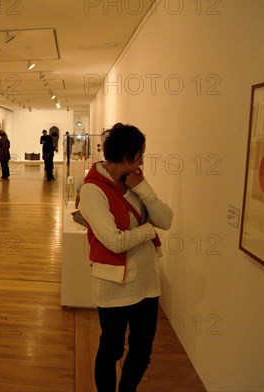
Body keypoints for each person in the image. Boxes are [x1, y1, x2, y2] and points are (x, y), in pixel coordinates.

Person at [78, 123, 173, 392]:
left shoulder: (136, 182)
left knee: (143, 351)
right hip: (115, 286)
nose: (142, 160)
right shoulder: (92, 191)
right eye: (140, 155)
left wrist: (144, 189)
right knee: (112, 349)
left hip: (147, 283)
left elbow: (165, 220)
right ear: (127, 157)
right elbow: (113, 242)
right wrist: (145, 230)